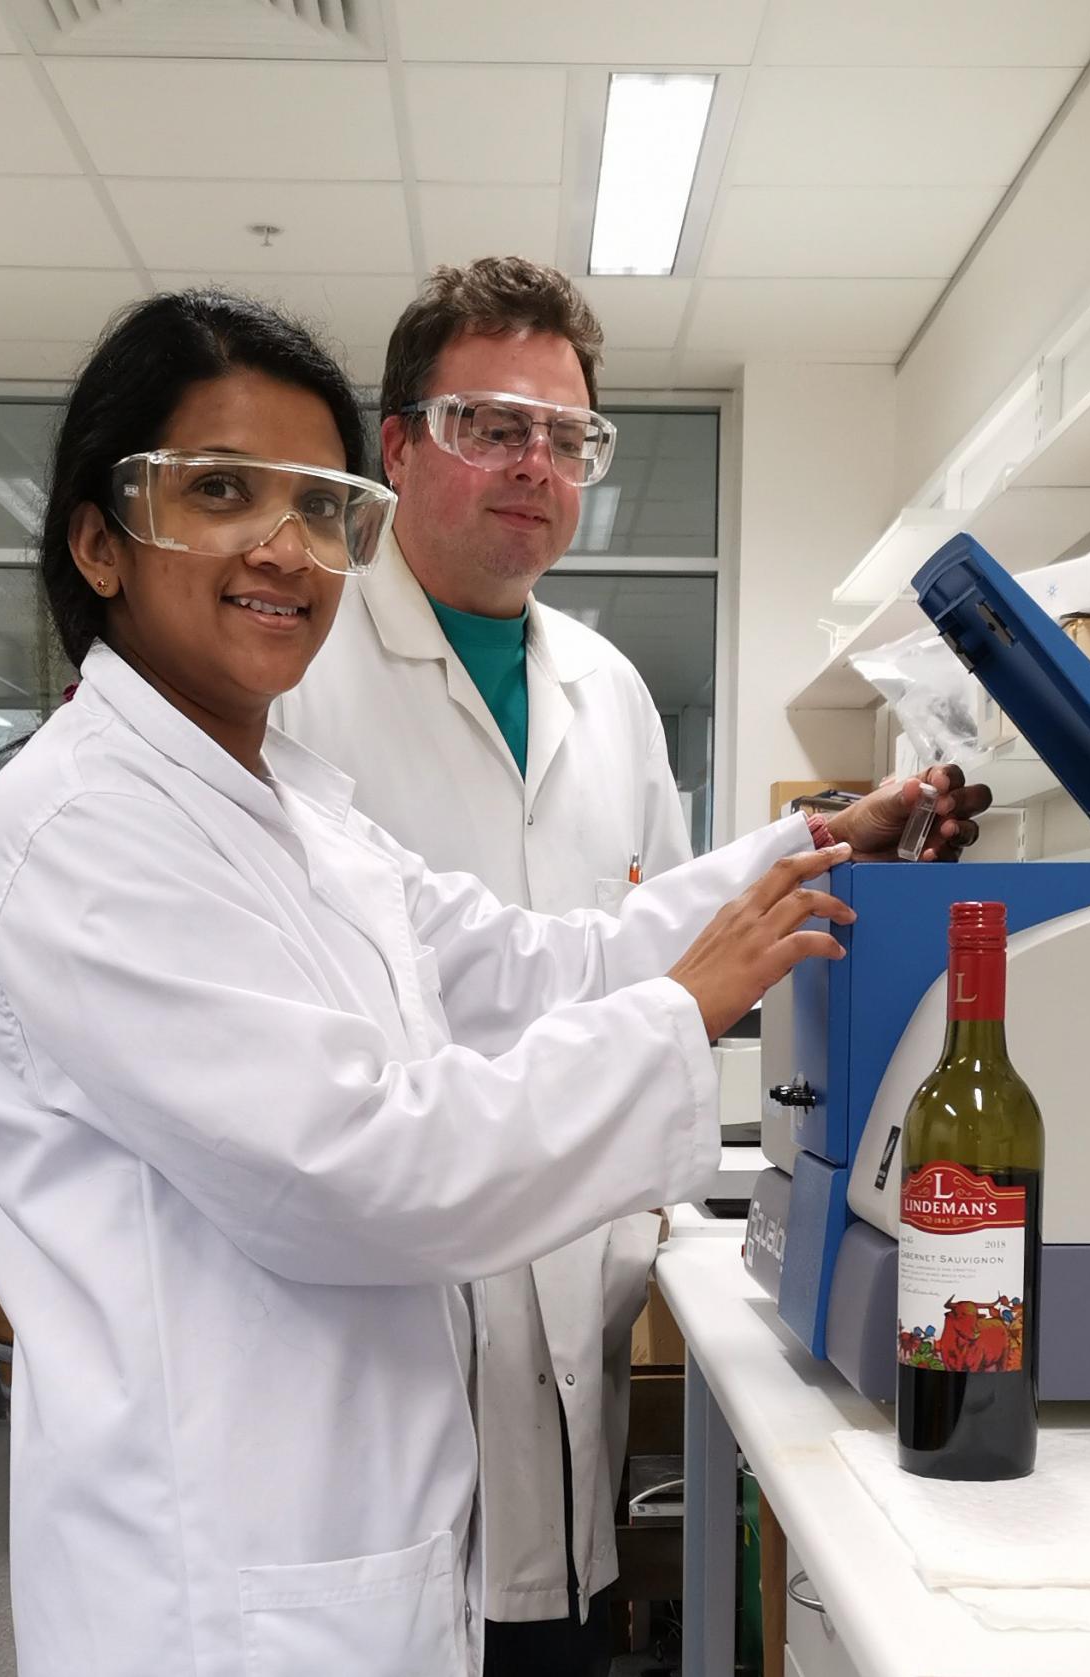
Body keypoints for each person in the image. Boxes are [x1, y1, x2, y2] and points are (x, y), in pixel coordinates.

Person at [0, 289, 980, 1677]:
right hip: (219, 1593)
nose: (282, 546)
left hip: (357, 1542)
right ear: (98, 540)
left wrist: (806, 851)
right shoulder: (89, 832)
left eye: (318, 508)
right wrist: (685, 1008)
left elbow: (524, 959)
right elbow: (362, 1166)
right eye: (217, 492)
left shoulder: (290, 803)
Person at [274, 257, 694, 1671]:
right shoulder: (298, 671)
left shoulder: (613, 695)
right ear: (396, 447)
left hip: (580, 1297)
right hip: (391, 1314)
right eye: (488, 425)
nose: (535, 463)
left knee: (561, 1634)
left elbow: (645, 950)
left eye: (566, 437)